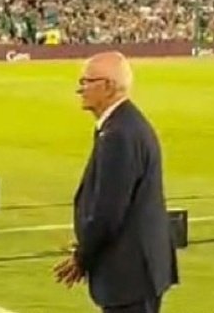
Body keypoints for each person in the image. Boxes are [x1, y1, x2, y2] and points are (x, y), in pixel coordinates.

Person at [54, 51, 178, 312]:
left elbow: (108, 212)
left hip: (129, 273)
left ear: (108, 86)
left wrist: (82, 257)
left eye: (87, 81)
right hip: (137, 269)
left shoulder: (119, 134)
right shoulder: (122, 125)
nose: (80, 89)